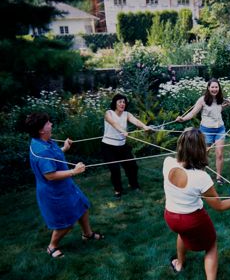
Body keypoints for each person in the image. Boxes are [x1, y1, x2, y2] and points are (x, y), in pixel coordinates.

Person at [163, 128, 230, 280]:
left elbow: (183, 164)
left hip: (171, 216)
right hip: (192, 219)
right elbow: (219, 206)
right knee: (211, 245)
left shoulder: (168, 162)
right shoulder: (201, 177)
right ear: (201, 149)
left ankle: (179, 264)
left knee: (182, 234)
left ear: (180, 146)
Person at [26, 112, 104, 259]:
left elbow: (53, 156)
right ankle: (52, 246)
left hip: (65, 186)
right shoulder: (41, 150)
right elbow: (49, 175)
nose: (51, 124)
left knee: (83, 206)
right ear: (41, 130)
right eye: (48, 123)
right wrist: (74, 171)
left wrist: (64, 148)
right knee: (65, 223)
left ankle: (87, 234)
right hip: (54, 192)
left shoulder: (45, 141)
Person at [175, 78, 230, 185]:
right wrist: (183, 119)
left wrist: (225, 106)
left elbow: (217, 111)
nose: (214, 89)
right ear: (208, 88)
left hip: (220, 129)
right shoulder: (202, 100)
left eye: (216, 87)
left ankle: (219, 178)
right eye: (212, 87)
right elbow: (192, 113)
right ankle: (201, 175)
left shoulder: (220, 99)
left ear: (219, 88)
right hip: (206, 130)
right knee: (204, 154)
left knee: (219, 154)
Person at [102, 93, 151, 198]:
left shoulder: (126, 114)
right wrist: (122, 131)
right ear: (115, 103)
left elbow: (135, 121)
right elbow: (114, 124)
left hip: (122, 146)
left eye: (124, 102)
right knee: (115, 169)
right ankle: (118, 190)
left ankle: (134, 185)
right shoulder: (108, 113)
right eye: (120, 101)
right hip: (108, 146)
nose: (122, 104)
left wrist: (144, 126)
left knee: (133, 166)